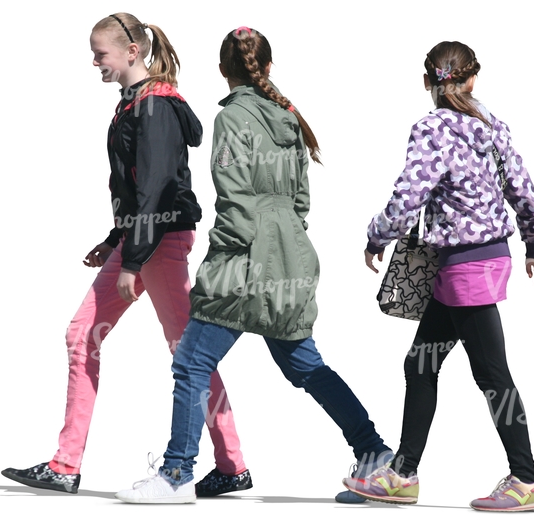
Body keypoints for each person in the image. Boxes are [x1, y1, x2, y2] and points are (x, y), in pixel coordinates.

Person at [113, 26, 393, 504]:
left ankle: (177, 473)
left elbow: (234, 198)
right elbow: (302, 198)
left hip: (245, 258)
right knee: (305, 365)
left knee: (192, 363)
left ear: (224, 70)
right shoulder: (288, 117)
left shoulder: (234, 119)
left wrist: (223, 255)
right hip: (291, 254)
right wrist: (284, 235)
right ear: (266, 66)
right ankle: (375, 454)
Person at [1, 13, 251, 496]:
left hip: (158, 244)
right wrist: (116, 240)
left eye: (101, 53)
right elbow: (142, 189)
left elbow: (157, 189)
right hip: (141, 240)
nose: (95, 62)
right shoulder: (137, 103)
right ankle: (65, 464)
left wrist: (132, 259)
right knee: (82, 335)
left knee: (189, 353)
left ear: (132, 51)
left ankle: (232, 462)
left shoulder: (155, 107)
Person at [342, 41, 534, 512]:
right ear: (473, 78)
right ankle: (403, 473)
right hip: (480, 262)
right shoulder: (492, 125)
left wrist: (377, 235)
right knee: (421, 363)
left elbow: (408, 194)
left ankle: (527, 477)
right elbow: (522, 186)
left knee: (493, 375)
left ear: (426, 82)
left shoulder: (433, 128)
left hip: (464, 268)